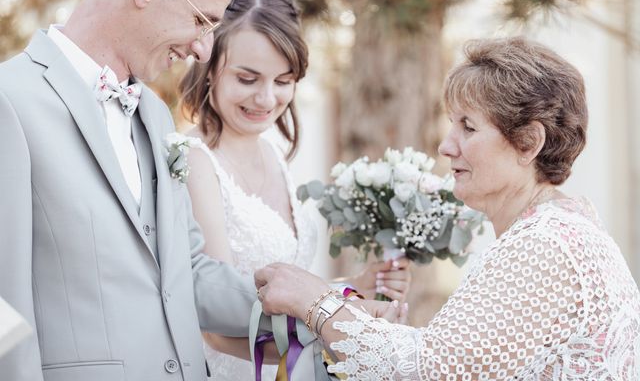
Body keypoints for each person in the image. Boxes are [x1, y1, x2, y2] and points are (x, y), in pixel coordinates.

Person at [254, 37, 640, 380]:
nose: (446, 146)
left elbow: (431, 371)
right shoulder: (564, 230)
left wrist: (315, 302)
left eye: (468, 127)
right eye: (452, 124)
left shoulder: (545, 246)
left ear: (528, 143)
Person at [0, 0, 270, 380]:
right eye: (202, 21)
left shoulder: (156, 116)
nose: (203, 49)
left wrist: (321, 307)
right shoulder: (10, 102)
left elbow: (187, 274)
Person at [177, 0, 411, 379]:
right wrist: (338, 330)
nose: (267, 99)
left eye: (283, 82)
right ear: (210, 67)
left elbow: (283, 286)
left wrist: (353, 286)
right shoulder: (196, 162)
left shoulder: (272, 152)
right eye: (247, 79)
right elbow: (214, 328)